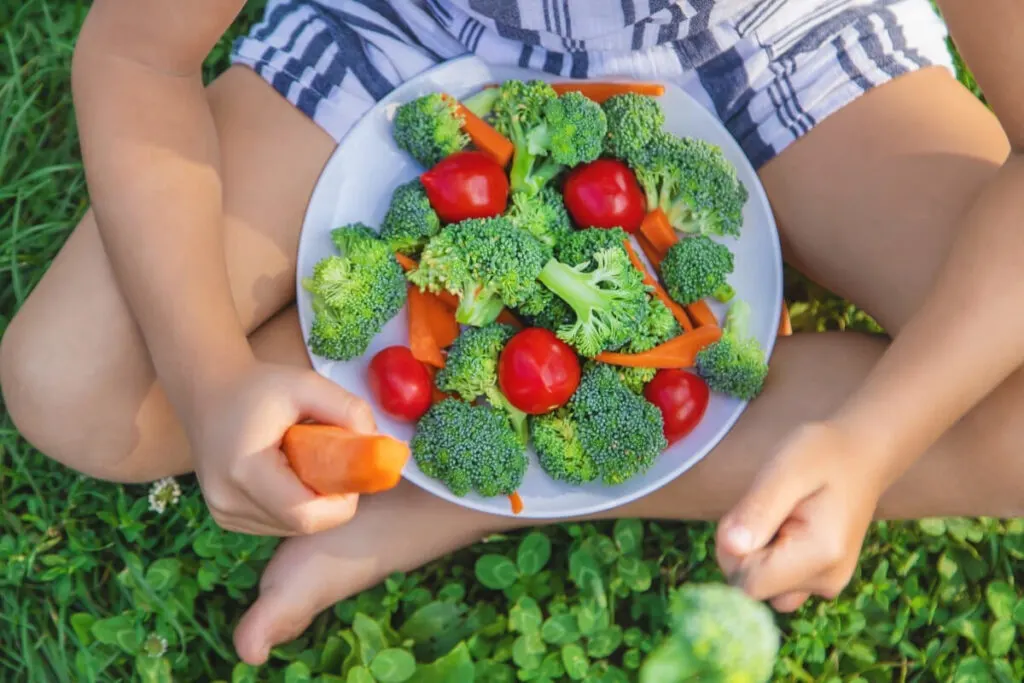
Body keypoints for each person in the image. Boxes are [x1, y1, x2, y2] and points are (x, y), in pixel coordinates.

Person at [2, 0, 1023, 667]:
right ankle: (447, 458)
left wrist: (877, 434)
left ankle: (450, 498)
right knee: (74, 387)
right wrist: (208, 376)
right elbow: (138, 51)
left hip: (778, 38)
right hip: (407, 27)